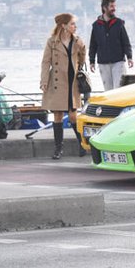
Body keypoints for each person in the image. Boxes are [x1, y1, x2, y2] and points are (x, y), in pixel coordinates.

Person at [41, 13, 88, 159]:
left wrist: (79, 66)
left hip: (72, 82)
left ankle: (82, 144)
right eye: (72, 24)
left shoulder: (77, 41)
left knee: (73, 116)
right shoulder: (52, 42)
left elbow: (82, 55)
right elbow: (45, 62)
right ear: (64, 26)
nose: (75, 26)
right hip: (56, 82)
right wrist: (43, 81)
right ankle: (58, 149)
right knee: (58, 115)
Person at [88, 0, 133, 92]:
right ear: (104, 8)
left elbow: (125, 41)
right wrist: (92, 61)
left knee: (119, 88)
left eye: (114, 6)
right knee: (108, 90)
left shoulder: (119, 23)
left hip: (118, 62)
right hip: (103, 63)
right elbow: (93, 45)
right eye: (111, 6)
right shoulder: (96, 25)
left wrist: (129, 57)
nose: (114, 8)